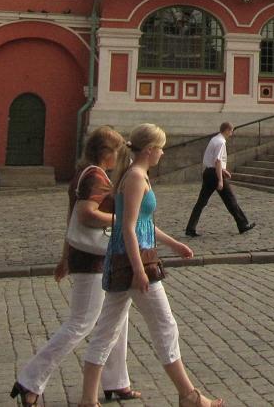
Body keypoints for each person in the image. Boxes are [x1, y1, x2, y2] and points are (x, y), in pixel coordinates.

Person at [79, 124, 222, 407]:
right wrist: (139, 270)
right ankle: (189, 396)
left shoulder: (136, 175)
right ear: (149, 150)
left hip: (126, 263)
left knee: (107, 331)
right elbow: (129, 229)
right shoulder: (135, 178)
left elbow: (145, 224)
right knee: (165, 326)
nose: (163, 152)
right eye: (160, 147)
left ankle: (87, 399)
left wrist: (174, 244)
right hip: (134, 264)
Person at [12, 127, 138, 406]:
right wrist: (121, 219)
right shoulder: (96, 176)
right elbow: (85, 214)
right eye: (117, 153)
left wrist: (65, 257)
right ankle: (30, 380)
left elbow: (71, 221)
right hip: (94, 260)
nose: (118, 159)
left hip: (91, 257)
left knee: (117, 318)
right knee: (81, 323)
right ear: (107, 153)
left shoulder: (84, 173)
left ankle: (117, 381)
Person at [185, 122, 255, 237]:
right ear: (227, 130)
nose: (231, 133)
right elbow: (217, 161)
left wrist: (223, 171)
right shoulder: (221, 142)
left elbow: (213, 160)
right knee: (230, 199)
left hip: (208, 172)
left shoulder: (214, 139)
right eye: (231, 131)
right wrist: (220, 180)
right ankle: (243, 224)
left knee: (201, 202)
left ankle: (190, 228)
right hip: (214, 174)